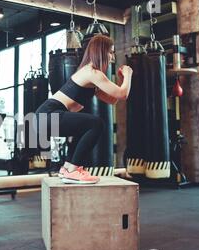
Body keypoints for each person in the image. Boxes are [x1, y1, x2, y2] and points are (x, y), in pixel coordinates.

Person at [35, 35, 133, 184]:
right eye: (110, 52)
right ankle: (73, 170)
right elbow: (123, 94)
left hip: (45, 118)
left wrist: (120, 79)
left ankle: (68, 168)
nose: (112, 56)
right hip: (48, 115)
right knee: (96, 123)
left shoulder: (91, 77)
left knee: (83, 128)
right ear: (101, 51)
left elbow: (113, 99)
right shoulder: (92, 73)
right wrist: (128, 75)